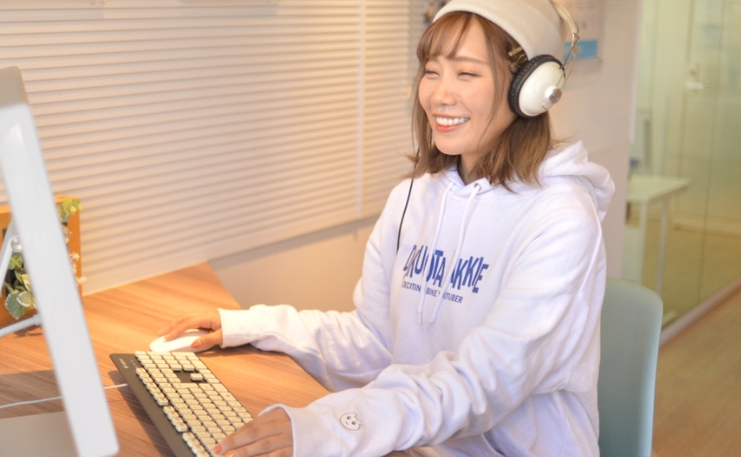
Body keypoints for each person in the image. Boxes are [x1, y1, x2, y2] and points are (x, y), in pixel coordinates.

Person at [159, 0, 615, 455]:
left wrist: (335, 426)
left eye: (466, 73)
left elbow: (483, 382)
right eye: (431, 71)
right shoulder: (414, 197)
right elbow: (374, 342)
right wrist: (254, 325)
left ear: (531, 89)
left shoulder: (560, 220)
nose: (438, 94)